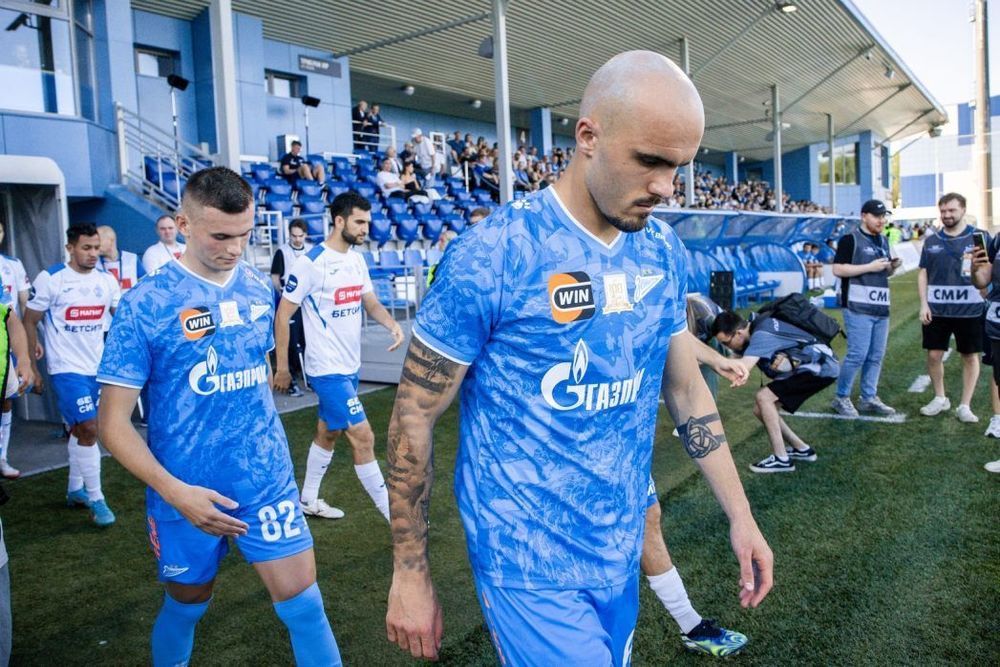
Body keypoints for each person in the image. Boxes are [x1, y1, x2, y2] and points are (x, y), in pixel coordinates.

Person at [384, 51, 772, 664]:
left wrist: (741, 515)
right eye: (649, 161)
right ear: (588, 136)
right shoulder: (493, 253)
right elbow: (412, 414)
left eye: (678, 167)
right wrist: (410, 571)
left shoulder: (661, 249)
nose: (666, 188)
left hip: (620, 547)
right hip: (526, 561)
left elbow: (685, 388)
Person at [97, 166, 342, 666]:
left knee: (305, 607)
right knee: (187, 606)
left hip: (265, 480)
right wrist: (176, 493)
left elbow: (254, 374)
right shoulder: (145, 305)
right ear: (184, 225)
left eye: (244, 235)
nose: (234, 248)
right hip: (186, 491)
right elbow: (112, 424)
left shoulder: (255, 287)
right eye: (221, 236)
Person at [274, 192, 404, 521]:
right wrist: (282, 368)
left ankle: (308, 499)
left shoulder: (356, 261)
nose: (365, 229)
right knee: (363, 435)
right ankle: (398, 522)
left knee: (328, 431)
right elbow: (283, 314)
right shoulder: (311, 263)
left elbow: (369, 301)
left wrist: (391, 324)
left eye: (367, 223)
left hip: (350, 366)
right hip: (325, 368)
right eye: (359, 222)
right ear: (339, 220)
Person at [24, 223, 121, 525]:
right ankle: (97, 499)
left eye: (96, 248)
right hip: (66, 368)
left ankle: (75, 489)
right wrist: (31, 364)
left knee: (81, 430)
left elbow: (121, 319)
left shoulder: (106, 281)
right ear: (70, 248)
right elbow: (29, 320)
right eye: (86, 248)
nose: (93, 254)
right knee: (90, 428)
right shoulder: (52, 278)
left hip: (98, 368)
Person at [712, 309, 840, 473]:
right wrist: (707, 359)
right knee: (760, 409)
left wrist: (709, 361)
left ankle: (781, 459)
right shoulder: (755, 327)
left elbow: (742, 368)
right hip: (816, 364)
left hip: (820, 367)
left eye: (726, 343)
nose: (727, 347)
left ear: (738, 333)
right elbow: (731, 360)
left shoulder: (761, 334)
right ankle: (801, 449)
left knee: (764, 397)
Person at [918, 193, 983, 422]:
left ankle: (965, 405)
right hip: (937, 309)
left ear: (963, 210)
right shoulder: (931, 240)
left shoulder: (979, 238)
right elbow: (923, 272)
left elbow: (988, 270)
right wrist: (924, 304)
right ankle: (940, 398)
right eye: (943, 211)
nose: (947, 215)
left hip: (970, 309)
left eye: (952, 210)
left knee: (970, 355)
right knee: (934, 354)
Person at [830, 199, 899, 417]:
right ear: (864, 216)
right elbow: (838, 269)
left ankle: (868, 397)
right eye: (877, 216)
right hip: (857, 305)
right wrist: (870, 266)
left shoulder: (884, 240)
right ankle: (841, 397)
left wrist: (892, 268)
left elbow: (885, 273)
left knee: (876, 355)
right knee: (857, 354)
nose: (881, 220)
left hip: (880, 305)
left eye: (883, 216)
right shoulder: (849, 239)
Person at [0, 222, 32, 479]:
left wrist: (24, 357)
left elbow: (12, 315)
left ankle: (2, 457)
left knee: (6, 401)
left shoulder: (11, 265)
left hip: (5, 351)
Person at [269, 219, 313, 398]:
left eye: (300, 236)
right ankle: (290, 380)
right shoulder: (282, 252)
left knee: (307, 340)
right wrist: (282, 295)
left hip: (308, 302)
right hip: (290, 300)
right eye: (293, 236)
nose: (297, 239)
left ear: (305, 235)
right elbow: (275, 277)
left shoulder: (311, 250)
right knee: (291, 342)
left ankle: (309, 375)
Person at [97, 225, 145, 292]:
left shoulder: (132, 258)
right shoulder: (94, 263)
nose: (95, 244)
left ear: (111, 241)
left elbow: (145, 284)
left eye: (98, 240)